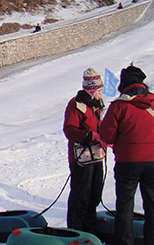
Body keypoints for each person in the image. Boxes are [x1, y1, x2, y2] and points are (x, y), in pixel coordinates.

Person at [100, 65, 154, 245]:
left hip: (128, 161)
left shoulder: (119, 106)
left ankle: (124, 242)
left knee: (125, 205)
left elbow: (107, 136)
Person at [63, 68, 107, 234]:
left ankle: (90, 229)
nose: (101, 94)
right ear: (91, 90)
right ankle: (76, 230)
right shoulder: (76, 105)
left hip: (96, 156)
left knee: (94, 194)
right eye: (99, 90)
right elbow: (70, 130)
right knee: (81, 195)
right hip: (81, 158)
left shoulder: (97, 106)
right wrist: (90, 135)